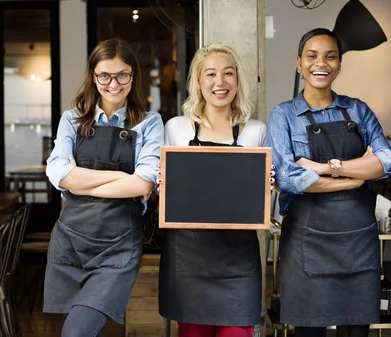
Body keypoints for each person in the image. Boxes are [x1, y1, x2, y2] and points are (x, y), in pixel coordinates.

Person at [268, 28, 391, 337]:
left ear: (339, 64)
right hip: (307, 244)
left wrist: (327, 168)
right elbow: (289, 179)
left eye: (330, 56)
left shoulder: (358, 110)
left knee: (356, 330)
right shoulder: (283, 115)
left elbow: (387, 162)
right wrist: (356, 177)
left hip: (357, 245)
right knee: (309, 330)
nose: (320, 63)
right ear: (299, 63)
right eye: (311, 56)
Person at [44, 38, 163, 337]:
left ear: (133, 76)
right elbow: (58, 172)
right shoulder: (71, 120)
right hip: (71, 242)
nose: (114, 83)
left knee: (76, 333)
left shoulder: (149, 123)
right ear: (93, 76)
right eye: (105, 75)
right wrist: (122, 180)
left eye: (122, 74)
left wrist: (81, 183)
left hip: (119, 248)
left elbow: (144, 181)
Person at [158, 42, 273, 337]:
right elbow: (169, 192)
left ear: (237, 80)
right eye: (210, 74)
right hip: (189, 259)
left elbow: (259, 197)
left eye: (228, 73)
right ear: (198, 81)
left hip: (238, 262)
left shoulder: (256, 131)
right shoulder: (176, 128)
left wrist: (268, 184)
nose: (219, 82)